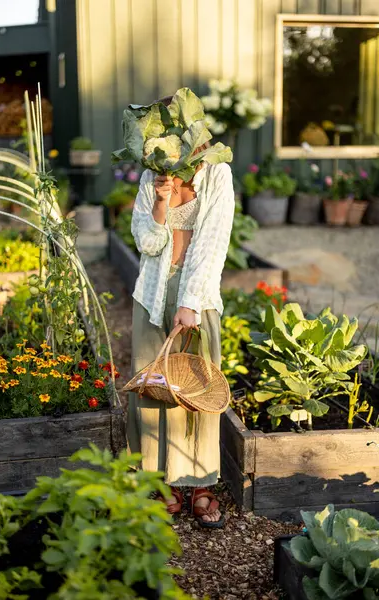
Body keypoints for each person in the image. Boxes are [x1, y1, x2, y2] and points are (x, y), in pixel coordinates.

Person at [127, 96, 235, 528]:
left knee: (196, 390)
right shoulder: (152, 176)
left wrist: (189, 302)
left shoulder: (218, 173)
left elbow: (213, 243)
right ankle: (163, 481)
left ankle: (201, 483)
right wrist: (159, 203)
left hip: (198, 296)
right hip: (152, 295)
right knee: (154, 386)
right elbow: (146, 243)